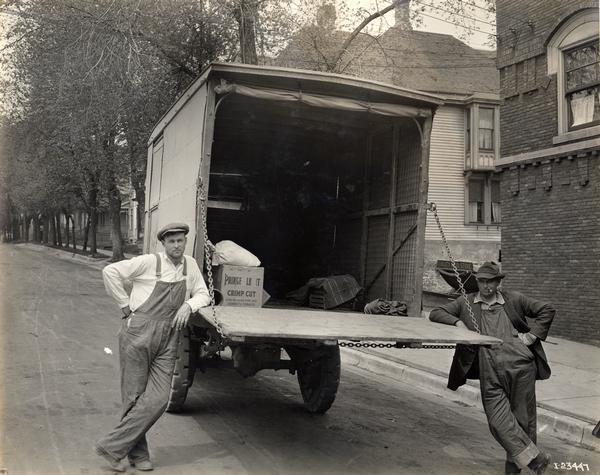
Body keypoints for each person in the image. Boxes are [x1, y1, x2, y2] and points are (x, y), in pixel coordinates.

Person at [94, 222, 211, 472]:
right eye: (172, 241)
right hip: (139, 333)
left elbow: (204, 294)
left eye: (181, 241)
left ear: (185, 242)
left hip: (169, 336)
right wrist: (124, 305)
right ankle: (138, 455)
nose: (177, 245)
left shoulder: (190, 265)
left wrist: (188, 306)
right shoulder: (148, 262)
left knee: (158, 399)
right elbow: (111, 272)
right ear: (163, 244)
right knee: (134, 396)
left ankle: (112, 446)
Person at [429, 261, 555, 475]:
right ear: (477, 281)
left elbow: (546, 310)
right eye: (482, 281)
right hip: (489, 367)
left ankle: (516, 470)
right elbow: (436, 312)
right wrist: (458, 322)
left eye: (491, 282)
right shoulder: (466, 302)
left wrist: (532, 336)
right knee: (498, 421)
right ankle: (535, 458)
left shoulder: (514, 299)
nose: (486, 287)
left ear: (498, 282)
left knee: (522, 420)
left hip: (521, 366)